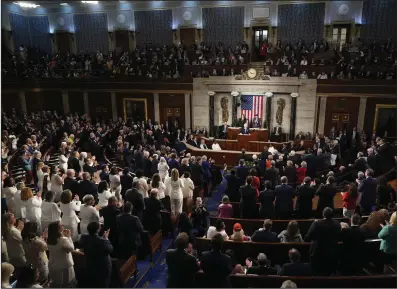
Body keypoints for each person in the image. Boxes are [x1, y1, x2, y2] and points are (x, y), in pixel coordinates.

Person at [305, 207, 341, 276]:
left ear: (323, 214)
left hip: (317, 255)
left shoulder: (316, 224)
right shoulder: (337, 224)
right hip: (332, 254)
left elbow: (307, 238)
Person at [80, 221, 113, 287]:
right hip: (102, 267)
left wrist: (103, 239)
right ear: (98, 229)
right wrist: (106, 238)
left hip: (90, 264)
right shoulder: (102, 241)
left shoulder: (83, 238)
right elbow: (110, 249)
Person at [47, 221, 76, 287]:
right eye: (61, 226)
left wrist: (62, 235)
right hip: (64, 266)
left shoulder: (49, 239)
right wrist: (68, 237)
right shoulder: (63, 240)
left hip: (53, 265)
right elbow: (71, 249)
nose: (63, 226)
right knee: (66, 284)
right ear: (57, 229)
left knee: (57, 283)